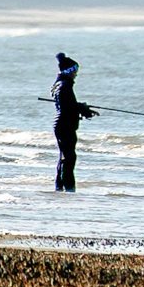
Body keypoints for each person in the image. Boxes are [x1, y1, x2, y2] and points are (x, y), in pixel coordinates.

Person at [50, 51, 93, 192]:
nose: (76, 74)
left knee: (65, 156)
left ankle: (60, 187)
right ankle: (69, 189)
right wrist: (83, 109)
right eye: (75, 71)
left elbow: (68, 104)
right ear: (69, 71)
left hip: (62, 124)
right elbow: (68, 107)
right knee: (69, 158)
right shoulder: (65, 86)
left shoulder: (60, 85)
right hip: (65, 125)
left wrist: (82, 108)